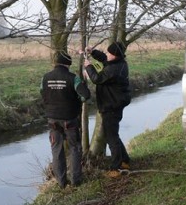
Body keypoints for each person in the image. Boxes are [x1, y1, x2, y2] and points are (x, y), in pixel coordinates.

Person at [41, 51, 91, 188]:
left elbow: (42, 93)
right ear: (68, 64)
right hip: (70, 119)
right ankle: (76, 181)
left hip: (52, 121)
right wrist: (77, 99)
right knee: (75, 148)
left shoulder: (45, 78)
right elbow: (85, 95)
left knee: (57, 151)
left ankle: (61, 183)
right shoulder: (73, 78)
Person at [84, 41, 132, 178]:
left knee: (111, 137)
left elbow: (97, 78)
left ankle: (115, 168)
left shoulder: (113, 70)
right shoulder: (119, 63)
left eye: (109, 53)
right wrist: (92, 52)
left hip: (111, 106)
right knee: (113, 134)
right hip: (115, 104)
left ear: (115, 55)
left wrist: (88, 67)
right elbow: (105, 59)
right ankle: (124, 161)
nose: (107, 55)